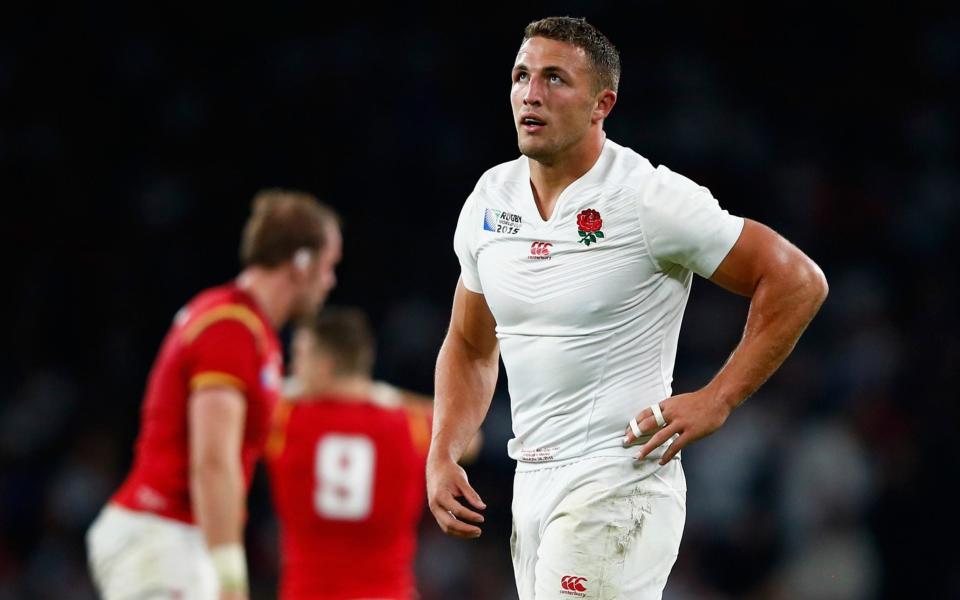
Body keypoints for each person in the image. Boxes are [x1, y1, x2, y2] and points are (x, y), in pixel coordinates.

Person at [426, 16, 829, 600]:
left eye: (555, 79)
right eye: (521, 76)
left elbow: (797, 280)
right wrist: (443, 450)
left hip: (619, 481)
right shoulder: (489, 201)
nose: (531, 94)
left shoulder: (647, 197)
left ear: (601, 104)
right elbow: (469, 344)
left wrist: (719, 398)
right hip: (532, 484)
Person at [86, 189, 341, 600]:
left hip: (170, 539)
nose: (330, 282)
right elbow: (212, 460)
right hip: (164, 536)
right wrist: (231, 578)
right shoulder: (232, 329)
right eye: (329, 266)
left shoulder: (245, 328)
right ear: (301, 262)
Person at [267, 307, 473, 600]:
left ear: (324, 365)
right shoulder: (410, 423)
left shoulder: (284, 419)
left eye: (299, 357)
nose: (292, 369)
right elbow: (471, 439)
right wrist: (383, 395)